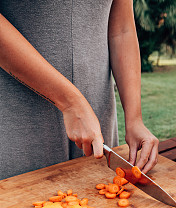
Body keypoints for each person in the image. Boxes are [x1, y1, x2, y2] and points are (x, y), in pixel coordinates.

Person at [0, 0, 159, 180]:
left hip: (97, 126)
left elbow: (122, 30)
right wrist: (70, 103)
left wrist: (134, 119)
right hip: (20, 127)